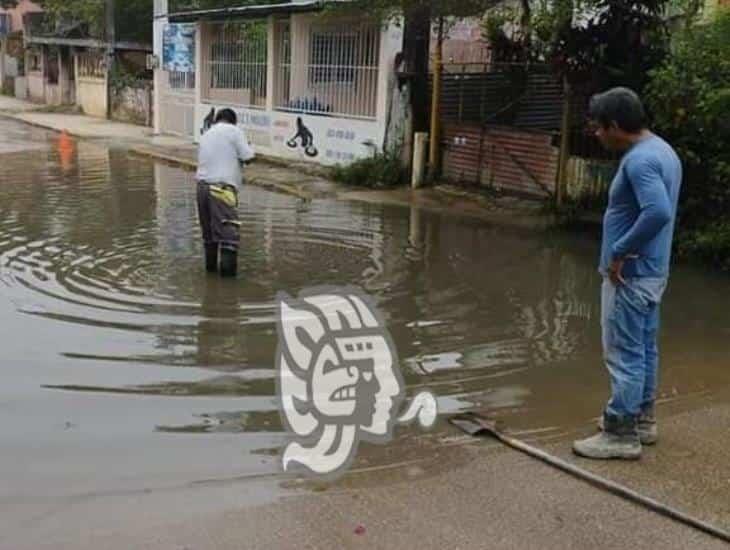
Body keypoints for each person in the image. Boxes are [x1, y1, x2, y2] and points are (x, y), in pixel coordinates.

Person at [573, 87, 682, 460]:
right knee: (644, 348)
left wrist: (620, 251)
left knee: (623, 353)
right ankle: (642, 421)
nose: (598, 136)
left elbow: (658, 212)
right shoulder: (662, 151)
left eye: (600, 129)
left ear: (616, 125)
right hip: (652, 273)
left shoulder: (638, 161)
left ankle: (620, 432)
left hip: (631, 276)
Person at [196, 108, 255, 277]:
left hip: (201, 188)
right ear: (233, 121)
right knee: (229, 237)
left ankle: (210, 278)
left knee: (210, 238)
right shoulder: (234, 131)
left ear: (217, 120)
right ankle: (227, 292)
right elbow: (248, 157)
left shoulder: (207, 134)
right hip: (221, 190)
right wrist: (251, 148)